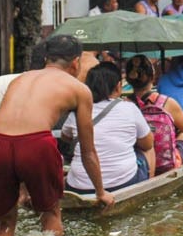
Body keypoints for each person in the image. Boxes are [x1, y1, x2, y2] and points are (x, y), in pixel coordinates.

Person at [0, 35, 114, 236]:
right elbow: (88, 151)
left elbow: (15, 139)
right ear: (75, 62)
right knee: (51, 214)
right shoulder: (79, 89)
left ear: (47, 58)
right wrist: (101, 191)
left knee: (4, 222)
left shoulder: (20, 78)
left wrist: (24, 187)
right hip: (36, 144)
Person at [63, 62, 154, 193]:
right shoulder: (129, 108)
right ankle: (149, 187)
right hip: (122, 183)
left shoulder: (78, 111)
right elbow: (148, 144)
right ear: (118, 87)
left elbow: (66, 137)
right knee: (149, 149)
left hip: (78, 187)